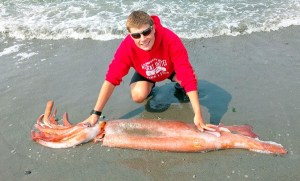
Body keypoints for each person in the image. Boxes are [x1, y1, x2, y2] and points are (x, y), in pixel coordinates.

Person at [84, 10, 216, 132]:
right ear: (130, 35)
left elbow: (186, 73)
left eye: (146, 32)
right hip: (146, 73)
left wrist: (198, 114)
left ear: (153, 28)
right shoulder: (126, 48)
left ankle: (180, 87)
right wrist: (95, 113)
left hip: (170, 69)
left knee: (190, 80)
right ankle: (149, 87)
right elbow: (111, 79)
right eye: (136, 35)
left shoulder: (170, 39)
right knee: (138, 95)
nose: (142, 39)